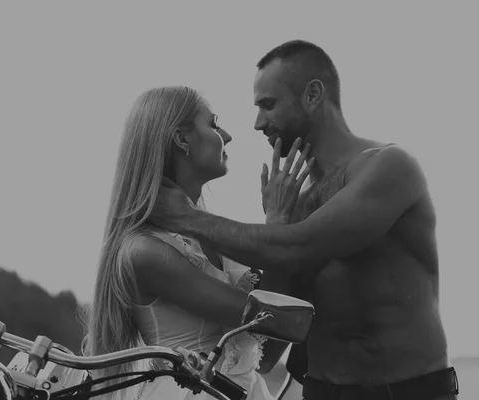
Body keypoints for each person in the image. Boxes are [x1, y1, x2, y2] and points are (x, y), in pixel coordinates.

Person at [149, 40, 459, 400]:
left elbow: (300, 246)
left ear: (312, 94)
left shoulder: (388, 167)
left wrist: (187, 217)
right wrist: (276, 223)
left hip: (406, 393)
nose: (258, 123)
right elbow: (273, 348)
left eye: (268, 104)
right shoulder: (295, 203)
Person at [81, 86, 311, 400]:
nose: (227, 136)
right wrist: (279, 227)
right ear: (183, 138)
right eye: (214, 125)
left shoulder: (205, 237)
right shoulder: (147, 251)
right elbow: (273, 321)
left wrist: (286, 228)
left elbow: (267, 357)